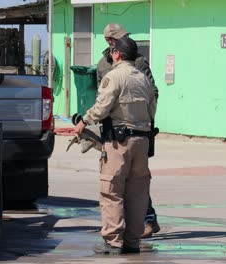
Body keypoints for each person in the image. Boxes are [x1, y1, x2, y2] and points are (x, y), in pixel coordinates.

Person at [74, 37, 157, 255]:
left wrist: (84, 120)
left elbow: (101, 108)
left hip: (119, 142)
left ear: (117, 54)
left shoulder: (113, 77)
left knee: (112, 191)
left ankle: (113, 241)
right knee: (138, 193)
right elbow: (152, 110)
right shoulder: (144, 79)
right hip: (142, 141)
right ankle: (132, 242)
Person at [97, 23, 160, 239]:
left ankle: (146, 221)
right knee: (117, 181)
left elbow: (153, 93)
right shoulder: (102, 65)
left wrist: (143, 121)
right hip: (112, 133)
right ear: (109, 42)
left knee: (133, 184)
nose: (125, 39)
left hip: (136, 130)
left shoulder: (138, 62)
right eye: (119, 37)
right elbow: (100, 97)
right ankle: (125, 229)